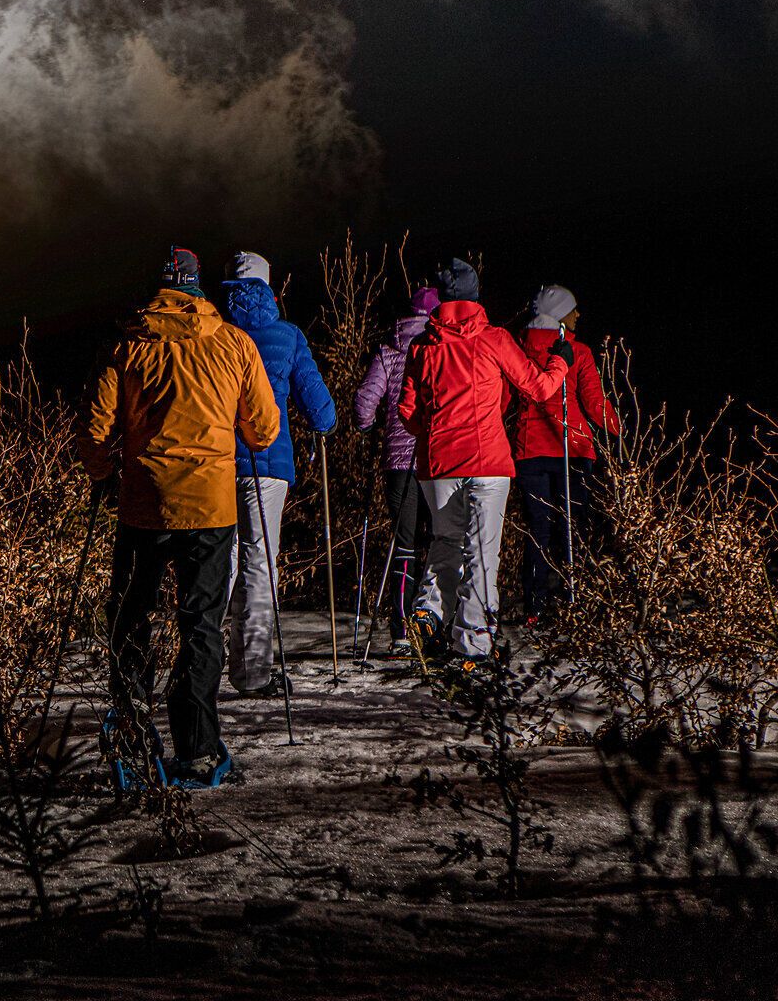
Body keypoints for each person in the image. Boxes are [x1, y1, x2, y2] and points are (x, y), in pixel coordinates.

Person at [79, 245, 280, 788]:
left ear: (160, 288)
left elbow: (94, 432)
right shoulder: (233, 343)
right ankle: (197, 749)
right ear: (196, 287)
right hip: (210, 508)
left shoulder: (127, 345)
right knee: (201, 626)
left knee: (131, 619)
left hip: (143, 505)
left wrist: (103, 473)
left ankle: (132, 741)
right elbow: (264, 429)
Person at [396, 259, 570, 665]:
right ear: (476, 297)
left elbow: (408, 412)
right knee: (481, 552)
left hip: (438, 463)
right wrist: (560, 360)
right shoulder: (495, 340)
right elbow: (539, 387)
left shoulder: (422, 346)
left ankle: (428, 612)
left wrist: (436, 429)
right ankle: (473, 644)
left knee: (446, 542)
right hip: (487, 461)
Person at [219, 252, 337, 696]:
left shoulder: (218, 336)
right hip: (268, 467)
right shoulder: (287, 337)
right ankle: (252, 673)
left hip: (218, 463)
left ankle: (200, 662)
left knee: (221, 561)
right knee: (259, 561)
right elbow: (321, 411)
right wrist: (324, 423)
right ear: (269, 289)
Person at [510, 285, 619, 619]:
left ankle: (535, 606)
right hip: (573, 447)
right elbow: (594, 403)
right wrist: (619, 430)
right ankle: (577, 600)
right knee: (575, 528)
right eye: (573, 309)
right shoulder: (578, 352)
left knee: (537, 529)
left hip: (530, 449)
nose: (578, 314)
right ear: (559, 315)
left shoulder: (518, 350)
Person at [354, 285, 440, 655]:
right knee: (439, 540)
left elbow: (364, 401)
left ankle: (401, 630)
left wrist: (367, 425)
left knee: (402, 545)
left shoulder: (389, 350)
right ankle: (433, 622)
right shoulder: (440, 347)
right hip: (435, 459)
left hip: (397, 462)